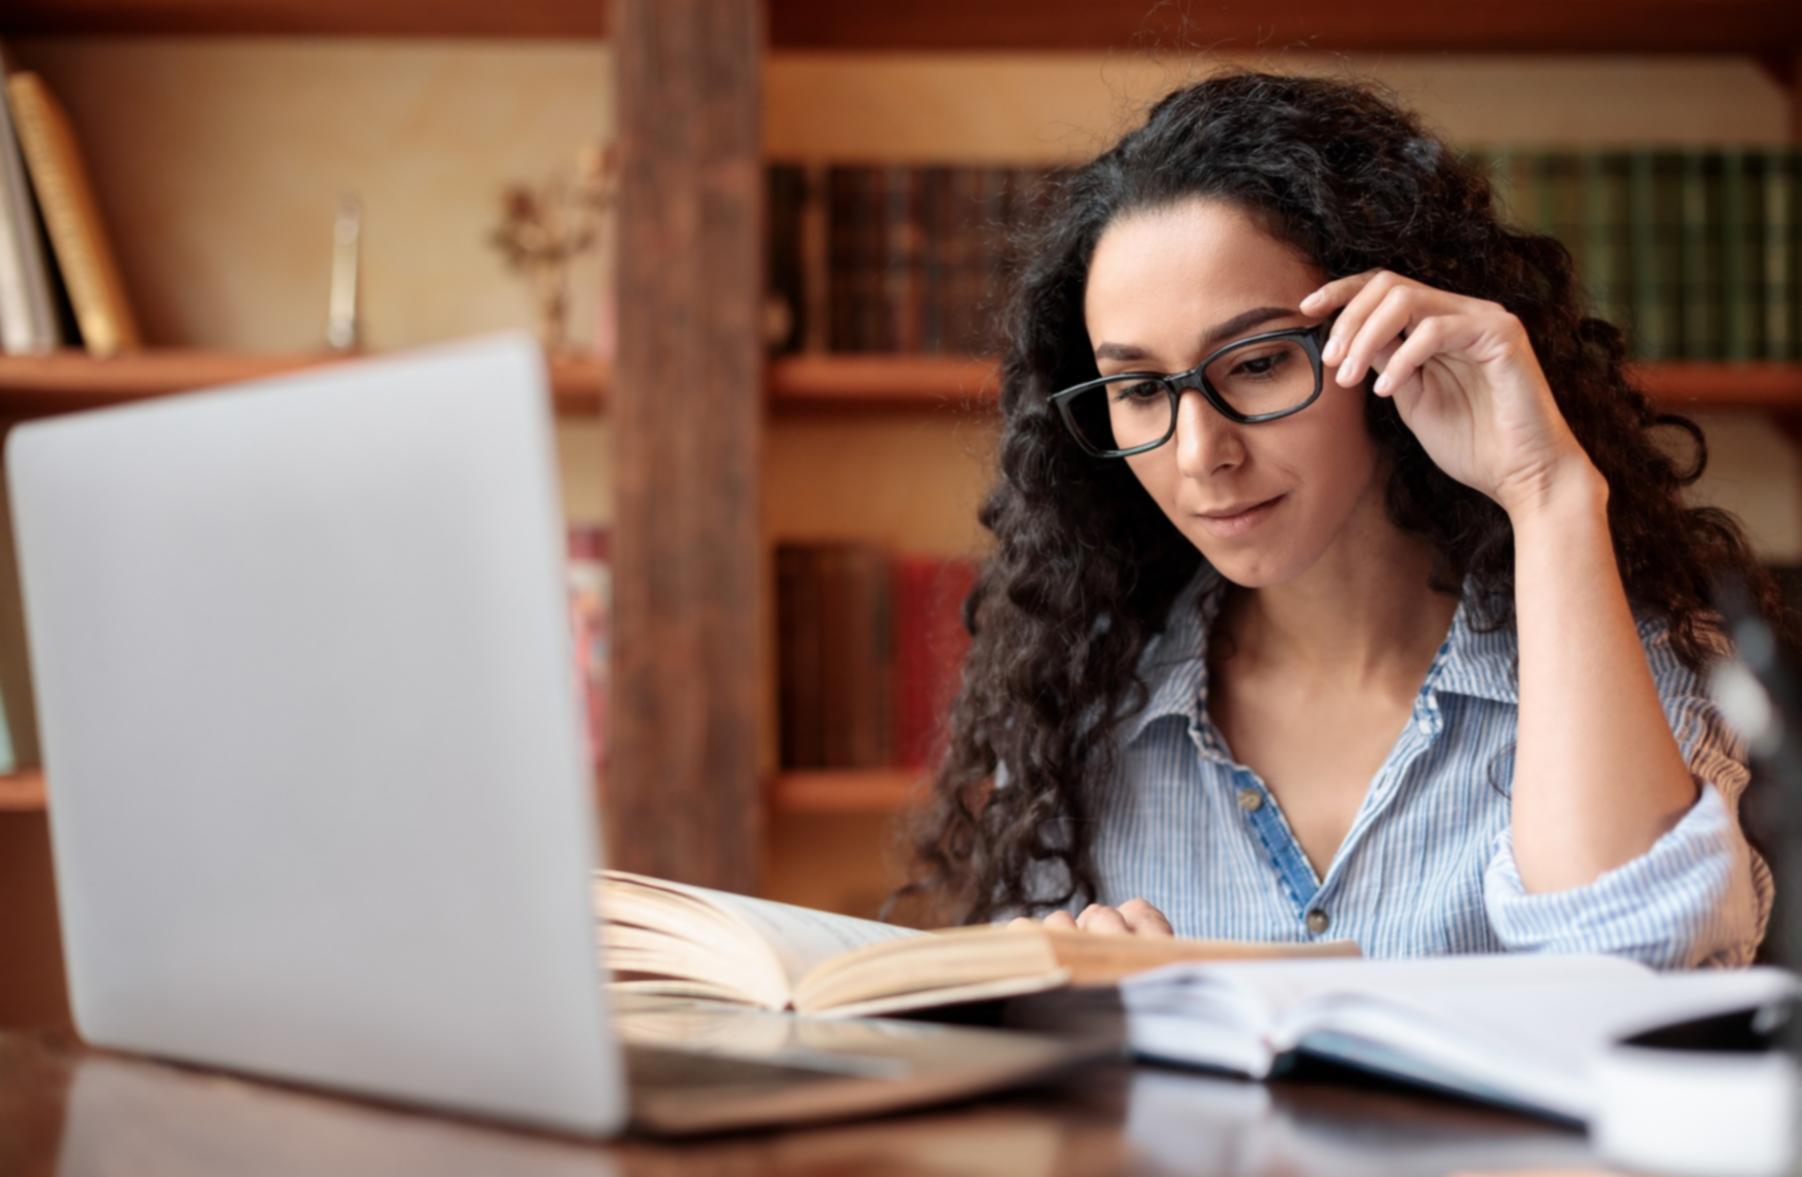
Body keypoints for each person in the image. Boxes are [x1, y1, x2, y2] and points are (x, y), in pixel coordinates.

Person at [892, 69, 1777, 968]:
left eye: (1259, 362)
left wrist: (1547, 493)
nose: (1202, 453)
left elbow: (1634, 974)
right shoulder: (1081, 710)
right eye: (1140, 389)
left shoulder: (1618, 663)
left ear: (1390, 338)